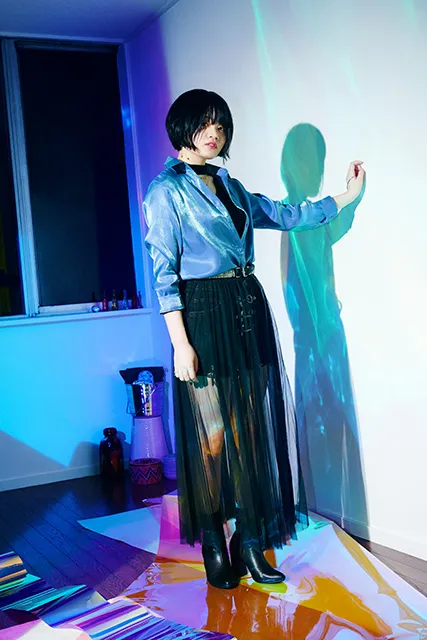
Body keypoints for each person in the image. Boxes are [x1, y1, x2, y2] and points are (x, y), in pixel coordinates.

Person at [143, 89, 365, 590]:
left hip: (246, 309)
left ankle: (249, 542)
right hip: (202, 313)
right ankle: (213, 541)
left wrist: (346, 197)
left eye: (221, 124)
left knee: (247, 433)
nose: (215, 133)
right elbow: (164, 274)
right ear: (182, 128)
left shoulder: (232, 186)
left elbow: (287, 215)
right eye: (205, 123)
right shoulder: (165, 192)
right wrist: (180, 343)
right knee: (212, 438)